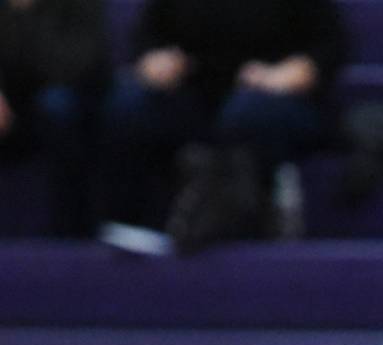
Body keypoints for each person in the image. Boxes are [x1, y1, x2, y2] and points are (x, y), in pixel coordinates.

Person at [101, 0, 346, 244]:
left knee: (248, 114)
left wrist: (282, 76)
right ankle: (136, 225)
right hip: (194, 95)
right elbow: (149, 36)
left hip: (275, 100)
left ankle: (260, 221)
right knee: (130, 107)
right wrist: (156, 61)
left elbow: (330, 46)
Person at [0, 0, 108, 234]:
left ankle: (72, 231)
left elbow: (73, 67)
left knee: (56, 106)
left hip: (70, 102)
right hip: (8, 105)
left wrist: (24, 14)